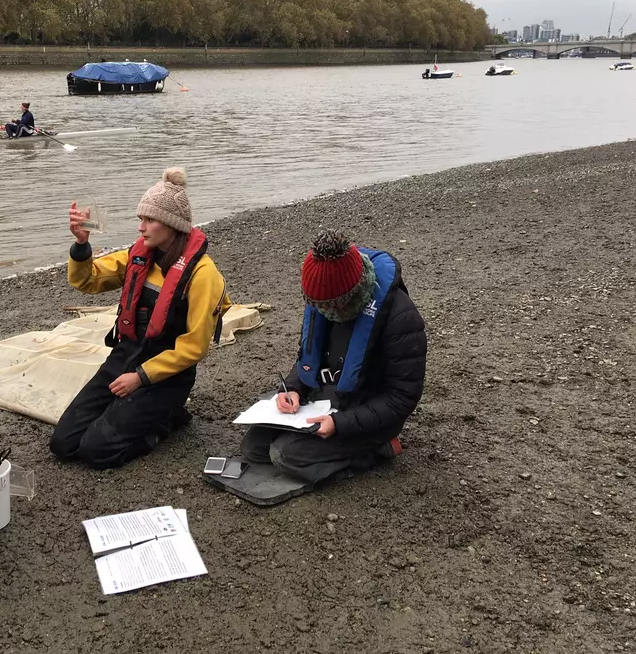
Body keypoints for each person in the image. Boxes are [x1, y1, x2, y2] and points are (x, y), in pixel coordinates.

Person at [50, 167, 231, 469]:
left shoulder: (203, 275)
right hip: (125, 357)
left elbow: (195, 348)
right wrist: (81, 245)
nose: (141, 228)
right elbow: (88, 281)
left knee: (97, 451)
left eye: (149, 220)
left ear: (172, 225)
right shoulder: (139, 255)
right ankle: (150, 414)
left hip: (166, 376)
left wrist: (141, 378)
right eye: (140, 219)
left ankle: (164, 423)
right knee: (64, 444)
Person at [240, 230, 427, 484]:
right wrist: (294, 388)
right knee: (253, 447)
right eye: (318, 305)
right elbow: (308, 356)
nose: (324, 312)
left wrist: (340, 424)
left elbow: (402, 399)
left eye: (330, 306)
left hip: (368, 411)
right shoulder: (322, 305)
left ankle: (376, 450)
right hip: (327, 398)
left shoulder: (401, 318)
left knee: (284, 455)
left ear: (352, 294)